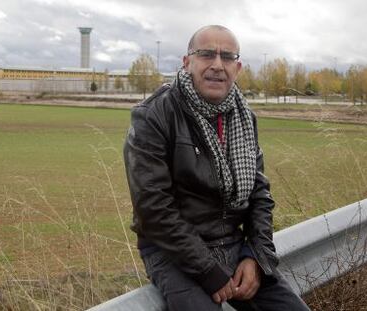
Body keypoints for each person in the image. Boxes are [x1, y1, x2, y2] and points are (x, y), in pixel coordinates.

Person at [123, 25, 311, 311]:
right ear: (187, 62)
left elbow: (260, 195)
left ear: (238, 67)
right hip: (173, 253)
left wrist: (256, 257)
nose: (217, 65)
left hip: (234, 246)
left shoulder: (245, 118)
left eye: (227, 57)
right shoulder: (154, 115)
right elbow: (153, 208)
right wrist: (208, 270)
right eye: (206, 54)